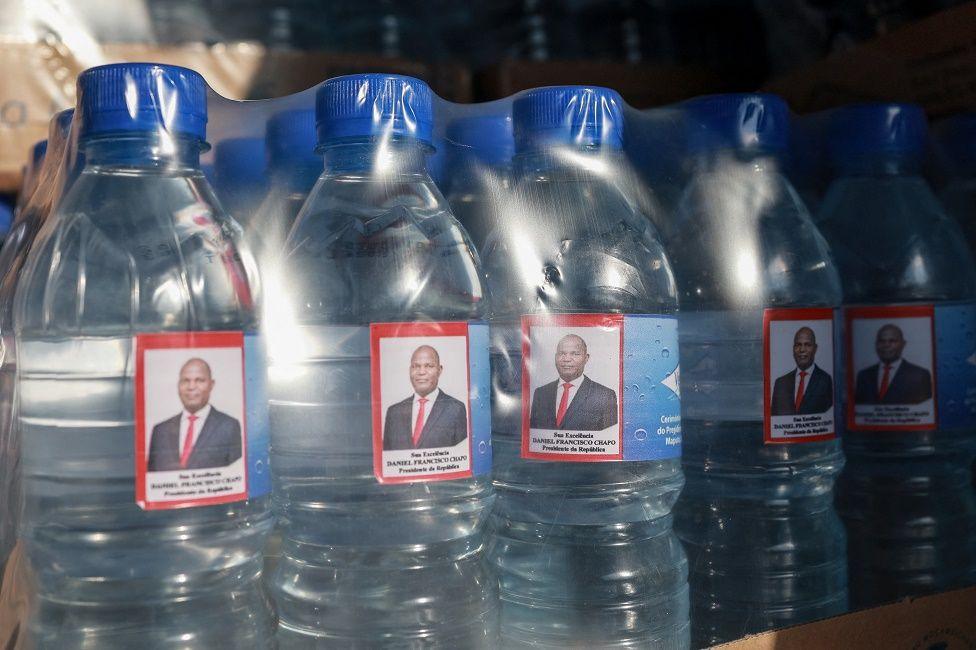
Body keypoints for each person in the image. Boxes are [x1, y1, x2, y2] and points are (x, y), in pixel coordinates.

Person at [147, 357, 243, 471]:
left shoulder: (229, 427)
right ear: (178, 385)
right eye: (185, 381)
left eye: (199, 380)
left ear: (211, 385)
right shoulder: (160, 431)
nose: (191, 387)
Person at [383, 345, 468, 450]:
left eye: (429, 366)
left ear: (439, 370)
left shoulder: (455, 409)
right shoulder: (394, 412)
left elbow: (461, 455)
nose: (421, 372)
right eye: (416, 366)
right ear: (410, 370)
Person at [529, 333, 618, 431]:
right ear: (555, 357)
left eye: (575, 354)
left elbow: (609, 438)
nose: (567, 359)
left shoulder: (605, 395)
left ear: (586, 358)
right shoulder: (541, 393)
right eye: (562, 353)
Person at [854, 323, 933, 405]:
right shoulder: (863, 376)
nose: (886, 345)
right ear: (876, 344)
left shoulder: (920, 376)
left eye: (892, 341)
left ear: (903, 344)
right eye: (881, 341)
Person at [770, 326, 834, 416]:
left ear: (815, 348)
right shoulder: (780, 383)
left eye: (807, 345)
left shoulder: (825, 380)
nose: (802, 350)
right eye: (798, 345)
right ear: (793, 349)